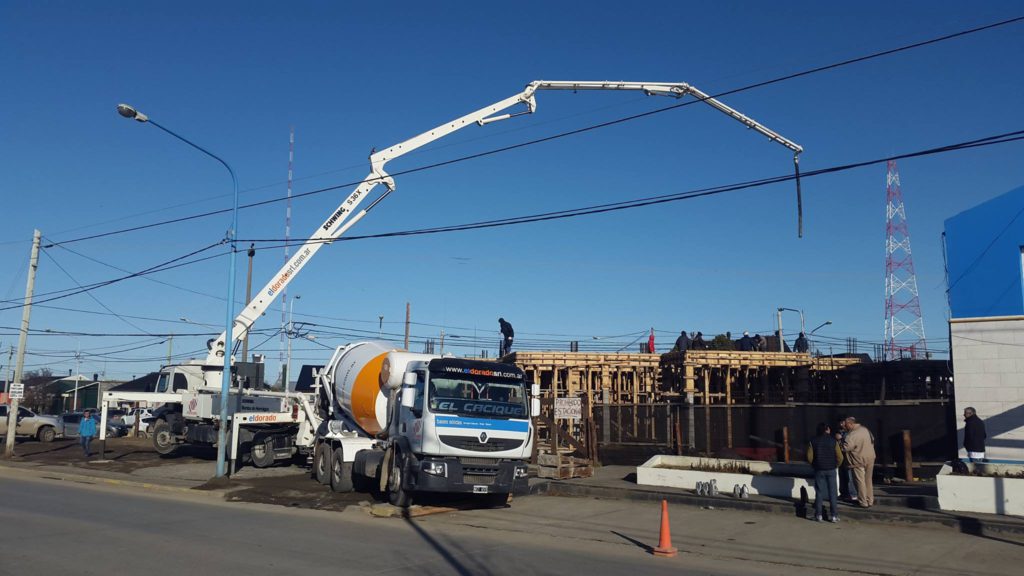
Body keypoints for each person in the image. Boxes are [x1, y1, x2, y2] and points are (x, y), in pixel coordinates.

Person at [807, 422, 844, 522]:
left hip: (819, 469)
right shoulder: (833, 441)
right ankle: (834, 516)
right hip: (831, 469)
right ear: (827, 430)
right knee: (833, 493)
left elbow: (809, 457)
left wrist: (814, 465)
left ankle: (818, 515)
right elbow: (840, 457)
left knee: (819, 492)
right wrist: (836, 465)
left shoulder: (813, 440)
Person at [841, 416, 876, 508]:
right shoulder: (865, 430)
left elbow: (846, 448)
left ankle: (863, 501)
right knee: (868, 480)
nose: (844, 426)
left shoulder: (852, 435)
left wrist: (840, 442)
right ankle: (870, 500)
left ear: (850, 424)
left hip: (858, 460)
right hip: (870, 457)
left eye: (845, 424)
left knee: (860, 481)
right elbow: (873, 439)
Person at [835, 418, 858, 503]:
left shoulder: (850, 433)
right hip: (841, 457)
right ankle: (843, 493)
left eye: (843, 423)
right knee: (842, 476)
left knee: (850, 477)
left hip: (849, 457)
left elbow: (849, 444)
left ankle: (853, 494)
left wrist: (841, 438)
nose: (841, 425)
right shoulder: (839, 431)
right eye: (840, 423)